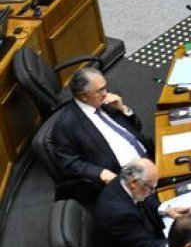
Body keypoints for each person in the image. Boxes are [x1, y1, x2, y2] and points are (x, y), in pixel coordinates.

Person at [50, 67, 153, 201]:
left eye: (105, 87)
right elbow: (69, 163)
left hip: (148, 152)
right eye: (99, 90)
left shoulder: (107, 102)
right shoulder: (66, 125)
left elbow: (136, 128)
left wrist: (123, 109)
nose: (106, 93)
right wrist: (100, 173)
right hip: (127, 174)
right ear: (83, 96)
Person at [95, 158, 191, 247]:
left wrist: (166, 210)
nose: (152, 192)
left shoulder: (123, 181)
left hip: (139, 236)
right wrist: (184, 239)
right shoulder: (121, 214)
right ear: (134, 183)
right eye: (151, 188)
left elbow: (146, 198)